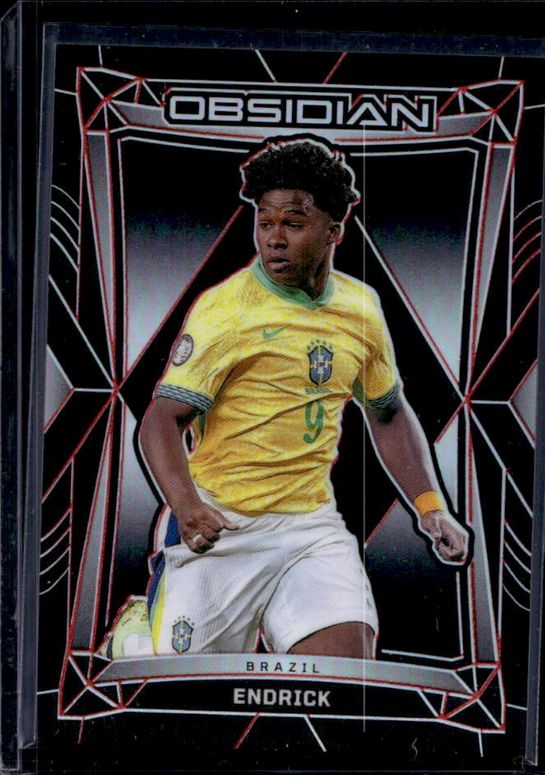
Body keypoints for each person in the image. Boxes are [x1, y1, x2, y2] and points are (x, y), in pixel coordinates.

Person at [111, 138, 469, 661]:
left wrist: (431, 507)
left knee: (342, 675)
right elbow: (160, 422)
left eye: (293, 224)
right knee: (188, 687)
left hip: (309, 527)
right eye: (265, 222)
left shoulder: (361, 307)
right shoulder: (226, 310)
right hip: (221, 525)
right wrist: (187, 507)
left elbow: (388, 412)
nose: (274, 239)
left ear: (334, 231)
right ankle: (137, 635)